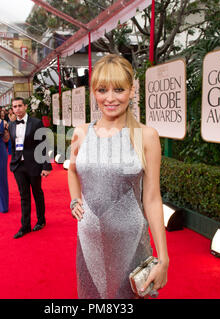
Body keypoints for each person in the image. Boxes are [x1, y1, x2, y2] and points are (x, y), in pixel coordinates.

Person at [67, 54, 169, 299]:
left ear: (132, 91)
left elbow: (153, 199)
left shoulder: (147, 136)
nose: (110, 98)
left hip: (130, 241)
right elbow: (72, 168)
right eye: (102, 90)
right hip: (88, 240)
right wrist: (74, 200)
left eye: (119, 89)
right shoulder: (80, 133)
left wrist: (163, 258)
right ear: (94, 92)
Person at [8, 97, 52, 239]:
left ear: (25, 107)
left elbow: (43, 144)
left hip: (34, 164)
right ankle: (25, 226)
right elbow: (14, 145)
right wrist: (14, 162)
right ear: (12, 109)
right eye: (15, 107)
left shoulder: (36, 123)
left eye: (20, 106)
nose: (17, 109)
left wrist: (46, 166)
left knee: (37, 193)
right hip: (18, 165)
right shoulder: (11, 125)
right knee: (24, 196)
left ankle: (41, 220)